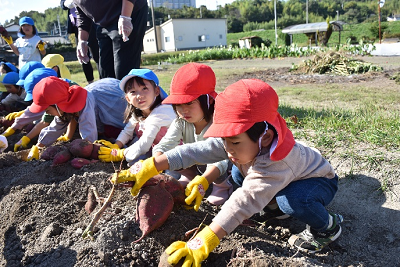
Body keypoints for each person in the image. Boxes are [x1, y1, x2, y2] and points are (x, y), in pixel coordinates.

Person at [111, 79, 343, 264]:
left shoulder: (277, 162)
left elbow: (245, 200)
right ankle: (274, 207)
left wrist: (206, 239)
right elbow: (195, 151)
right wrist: (153, 164)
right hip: (284, 179)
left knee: (293, 202)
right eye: (225, 141)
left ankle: (327, 226)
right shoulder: (243, 142)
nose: (228, 149)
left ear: (266, 137)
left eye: (234, 143)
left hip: (318, 181)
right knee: (237, 174)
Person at [152, 63, 232, 206]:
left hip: (221, 168)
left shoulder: (219, 123)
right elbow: (165, 144)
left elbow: (220, 160)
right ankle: (189, 177)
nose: (183, 110)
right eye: (178, 105)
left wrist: (205, 180)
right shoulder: (181, 123)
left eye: (189, 103)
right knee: (172, 156)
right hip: (198, 165)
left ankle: (222, 187)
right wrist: (154, 166)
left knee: (215, 160)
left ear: (209, 100)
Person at [26, 77, 127, 160]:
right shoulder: (64, 104)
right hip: (106, 98)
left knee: (120, 134)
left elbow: (88, 130)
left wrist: (86, 149)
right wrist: (38, 146)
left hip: (116, 104)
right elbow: (56, 126)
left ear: (57, 105)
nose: (48, 113)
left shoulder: (84, 101)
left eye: (48, 110)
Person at [97, 69, 175, 166]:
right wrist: (116, 145)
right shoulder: (138, 112)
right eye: (133, 91)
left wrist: (120, 154)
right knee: (133, 163)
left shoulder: (163, 111)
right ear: (128, 99)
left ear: (156, 91)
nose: (139, 96)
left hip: (174, 153)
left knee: (171, 175)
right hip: (154, 149)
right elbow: (127, 131)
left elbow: (145, 143)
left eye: (144, 89)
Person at [73, 0, 148, 79]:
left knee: (123, 70)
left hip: (128, 11)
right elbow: (81, 10)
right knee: (105, 73)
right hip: (103, 22)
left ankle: (130, 90)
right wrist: (82, 40)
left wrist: (125, 17)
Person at [60, 0, 100, 83]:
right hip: (77, 27)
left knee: (97, 54)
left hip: (91, 23)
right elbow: (62, 5)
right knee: (83, 55)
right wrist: (69, 2)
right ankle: (90, 82)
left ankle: (103, 80)